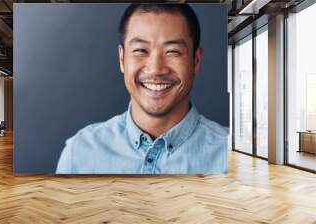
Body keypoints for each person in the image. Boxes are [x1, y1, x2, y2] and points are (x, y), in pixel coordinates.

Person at [56, 3, 228, 174]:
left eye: (173, 51)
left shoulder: (232, 154)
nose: (155, 69)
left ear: (196, 60)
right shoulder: (79, 153)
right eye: (140, 50)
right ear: (122, 59)